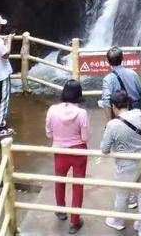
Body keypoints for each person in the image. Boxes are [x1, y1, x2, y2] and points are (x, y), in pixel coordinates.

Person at [101, 89, 141, 236]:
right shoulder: (138, 114)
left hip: (127, 163)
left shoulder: (112, 125)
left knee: (122, 193)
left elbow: (104, 149)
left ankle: (118, 221)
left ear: (113, 106)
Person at [45, 80, 89, 235]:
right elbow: (85, 137)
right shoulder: (82, 113)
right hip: (78, 152)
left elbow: (48, 133)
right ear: (79, 95)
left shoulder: (52, 110)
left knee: (60, 181)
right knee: (77, 186)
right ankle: (74, 222)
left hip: (59, 151)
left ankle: (61, 211)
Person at [100, 46, 141, 127]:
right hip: (136, 112)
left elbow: (106, 102)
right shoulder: (133, 73)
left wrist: (109, 123)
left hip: (120, 115)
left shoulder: (107, 79)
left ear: (108, 61)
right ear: (122, 58)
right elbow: (140, 93)